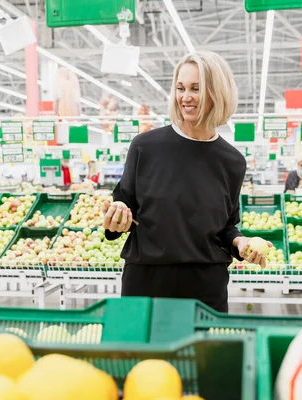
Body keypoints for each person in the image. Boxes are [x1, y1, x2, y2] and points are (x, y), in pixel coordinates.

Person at [102, 51, 271, 312]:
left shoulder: (232, 161)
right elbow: (123, 204)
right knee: (138, 353)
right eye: (180, 88)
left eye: (196, 88)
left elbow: (226, 228)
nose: (185, 97)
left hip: (205, 288)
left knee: (202, 354)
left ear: (218, 92)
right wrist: (117, 216)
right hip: (146, 283)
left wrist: (241, 243)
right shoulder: (145, 147)